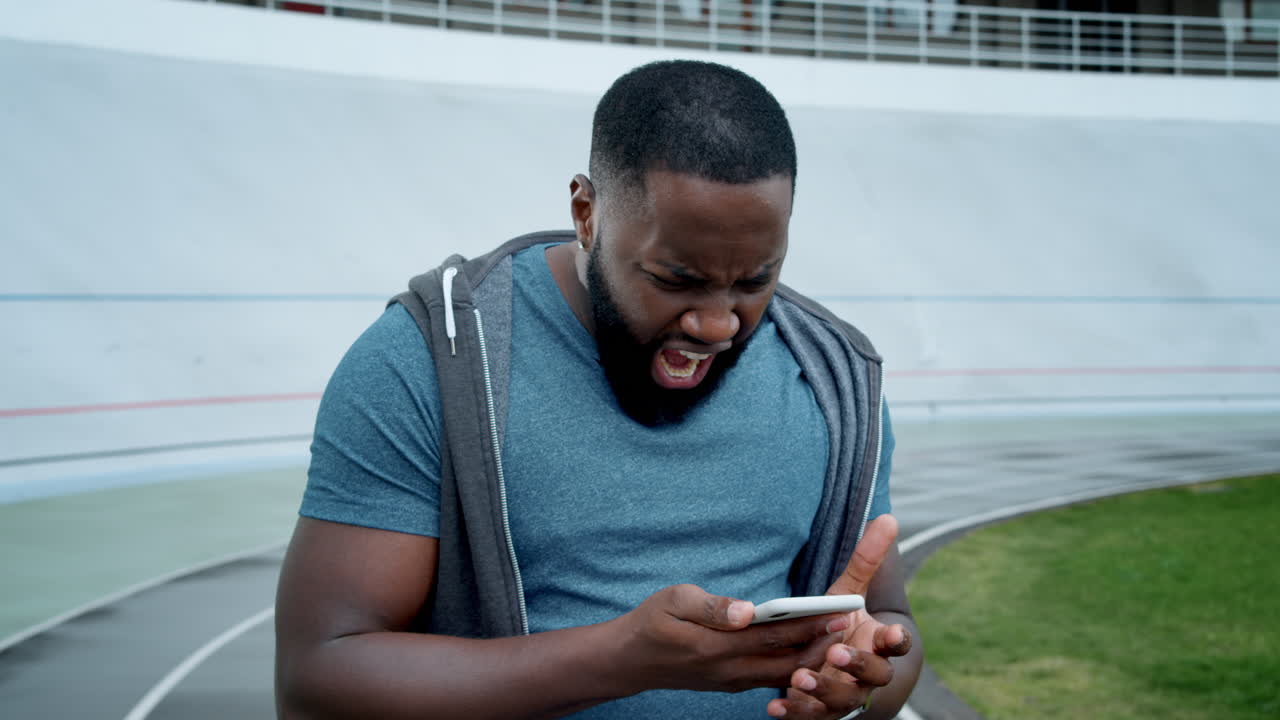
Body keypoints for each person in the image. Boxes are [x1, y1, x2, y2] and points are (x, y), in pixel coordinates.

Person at [275, 59, 922, 719]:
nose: (717, 322)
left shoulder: (834, 376)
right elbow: (320, 674)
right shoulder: (427, 359)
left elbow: (889, 627)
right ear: (586, 213)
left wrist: (849, 682)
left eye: (756, 279)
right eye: (675, 278)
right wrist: (620, 660)